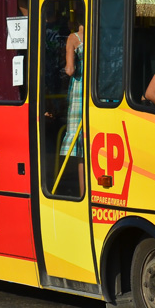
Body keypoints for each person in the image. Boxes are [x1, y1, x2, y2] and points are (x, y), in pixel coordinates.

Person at [59, 18, 84, 193]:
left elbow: (70, 70)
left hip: (79, 91)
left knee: (79, 144)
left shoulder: (73, 38)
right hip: (99, 88)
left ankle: (82, 191)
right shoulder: (100, 36)